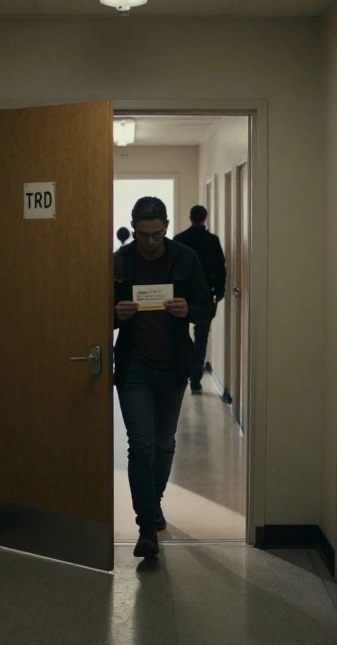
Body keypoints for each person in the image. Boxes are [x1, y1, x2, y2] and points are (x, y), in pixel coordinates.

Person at [113, 197, 214, 558]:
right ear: (134, 228)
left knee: (164, 442)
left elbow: (207, 308)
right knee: (139, 444)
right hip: (134, 367)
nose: (151, 242)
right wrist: (115, 314)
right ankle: (146, 528)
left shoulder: (185, 258)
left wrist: (189, 309)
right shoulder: (121, 260)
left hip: (173, 367)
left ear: (167, 227)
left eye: (157, 234)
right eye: (144, 234)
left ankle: (153, 504)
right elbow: (96, 310)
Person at [173, 205, 226, 394]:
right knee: (202, 335)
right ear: (205, 218)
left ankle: (183, 370)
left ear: (190, 217)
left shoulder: (179, 240)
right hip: (205, 296)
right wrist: (219, 292)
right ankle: (196, 377)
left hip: (181, 295)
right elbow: (220, 267)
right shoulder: (212, 241)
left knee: (179, 333)